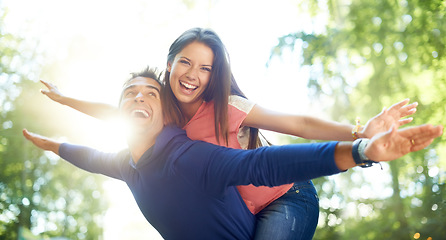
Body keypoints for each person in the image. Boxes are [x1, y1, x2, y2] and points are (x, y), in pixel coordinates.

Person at [39, 28, 418, 239]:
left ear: (213, 74)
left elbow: (298, 124)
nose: (192, 74)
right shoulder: (163, 113)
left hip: (286, 199)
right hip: (243, 211)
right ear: (169, 64)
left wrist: (357, 134)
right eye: (185, 62)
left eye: (204, 68)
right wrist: (65, 100)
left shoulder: (228, 106)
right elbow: (120, 111)